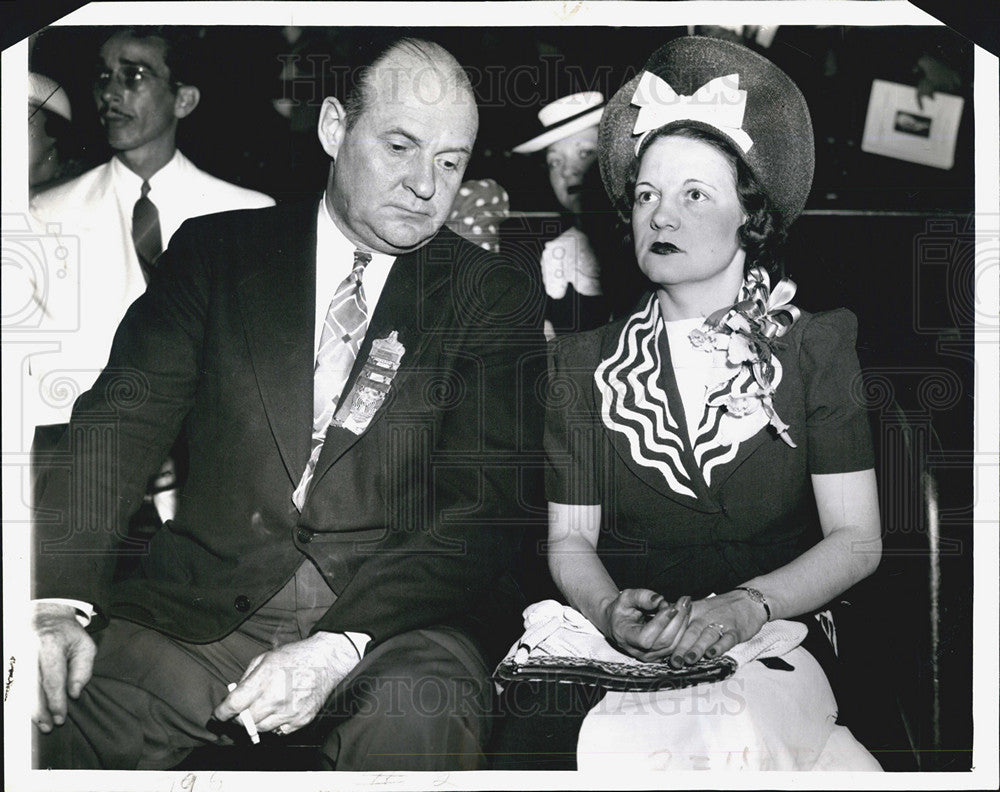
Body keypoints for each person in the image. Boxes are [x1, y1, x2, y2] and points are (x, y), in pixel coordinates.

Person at [31, 36, 545, 770]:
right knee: (46, 716)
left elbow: (487, 506)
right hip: (199, 615)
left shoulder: (492, 297)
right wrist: (54, 601)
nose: (427, 185)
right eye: (401, 146)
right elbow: (117, 427)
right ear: (335, 128)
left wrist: (339, 646)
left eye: (451, 162)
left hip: (398, 626)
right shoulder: (216, 254)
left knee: (413, 730)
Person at [493, 36, 882, 771]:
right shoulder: (581, 365)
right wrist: (610, 611)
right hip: (627, 653)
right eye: (647, 195)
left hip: (779, 632)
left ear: (751, 215)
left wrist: (748, 605)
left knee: (735, 740)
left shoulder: (816, 347)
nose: (661, 217)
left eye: (694, 194)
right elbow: (570, 541)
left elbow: (857, 539)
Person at [27, 27, 275, 432]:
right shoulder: (46, 214)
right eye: (103, 77)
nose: (110, 93)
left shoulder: (249, 215)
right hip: (90, 451)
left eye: (134, 75)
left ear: (184, 99)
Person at [513, 91, 613, 340]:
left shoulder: (648, 243)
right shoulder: (552, 257)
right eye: (555, 162)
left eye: (585, 153)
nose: (568, 171)